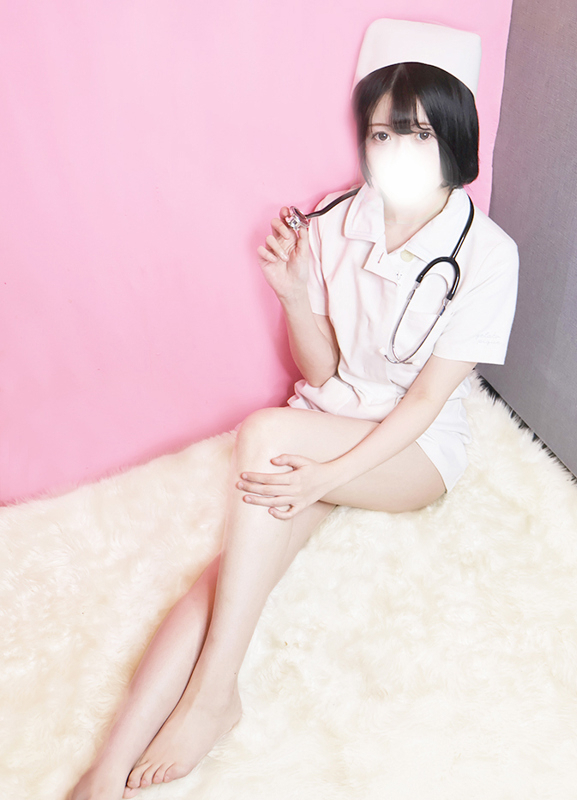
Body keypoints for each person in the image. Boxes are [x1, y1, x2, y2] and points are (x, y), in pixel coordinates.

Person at [69, 20, 518, 800]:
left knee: (265, 435)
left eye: (418, 131)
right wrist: (292, 293)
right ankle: (106, 770)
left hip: (415, 450)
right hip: (330, 417)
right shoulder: (335, 218)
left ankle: (213, 697)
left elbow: (422, 400)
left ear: (455, 131)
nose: (398, 149)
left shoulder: (489, 254)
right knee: (225, 583)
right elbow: (325, 371)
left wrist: (323, 477)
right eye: (382, 131)